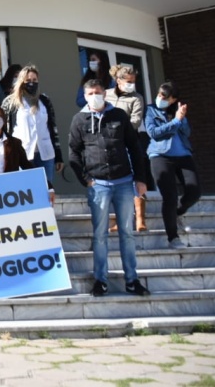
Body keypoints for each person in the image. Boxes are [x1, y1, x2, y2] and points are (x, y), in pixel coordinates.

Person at [69, 79, 150, 297]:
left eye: (97, 92)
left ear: (104, 93)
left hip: (123, 182)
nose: (94, 96)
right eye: (90, 93)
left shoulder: (119, 115)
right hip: (98, 185)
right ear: (84, 96)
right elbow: (74, 153)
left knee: (127, 233)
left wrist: (140, 179)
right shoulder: (79, 120)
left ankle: (132, 280)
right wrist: (85, 179)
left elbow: (134, 147)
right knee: (100, 234)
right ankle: (100, 280)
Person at [145, 81, 201, 249]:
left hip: (183, 154)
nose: (160, 98)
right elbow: (154, 133)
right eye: (159, 94)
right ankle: (173, 237)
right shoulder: (150, 110)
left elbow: (187, 132)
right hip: (160, 155)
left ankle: (177, 212)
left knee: (194, 191)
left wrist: (181, 119)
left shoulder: (177, 110)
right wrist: (176, 121)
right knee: (169, 196)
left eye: (164, 97)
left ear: (173, 99)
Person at [1, 65, 63, 183]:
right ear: (21, 81)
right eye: (28, 80)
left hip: (45, 152)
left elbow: (52, 128)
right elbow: (5, 129)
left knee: (46, 189)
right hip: (22, 152)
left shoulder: (44, 100)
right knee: (26, 190)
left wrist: (59, 155)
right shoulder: (11, 102)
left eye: (34, 80)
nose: (32, 83)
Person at [105, 64, 148, 231]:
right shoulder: (106, 95)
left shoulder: (136, 98)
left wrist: (118, 128)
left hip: (129, 142)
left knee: (136, 179)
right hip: (110, 145)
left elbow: (136, 120)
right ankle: (119, 220)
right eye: (128, 81)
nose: (131, 84)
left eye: (133, 81)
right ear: (118, 81)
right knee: (115, 181)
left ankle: (140, 219)